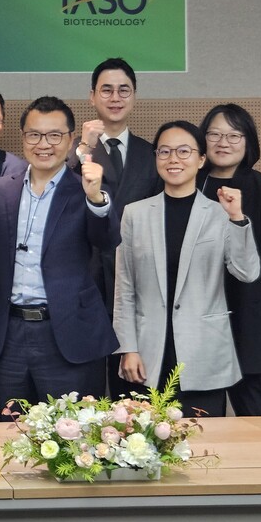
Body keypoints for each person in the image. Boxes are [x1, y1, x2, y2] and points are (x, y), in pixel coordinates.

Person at [0, 96, 120, 420]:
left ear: (71, 139)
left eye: (54, 135)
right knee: (6, 431)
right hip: (7, 335)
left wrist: (95, 196)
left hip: (66, 332)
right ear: (23, 137)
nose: (44, 144)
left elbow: (108, 239)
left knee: (73, 436)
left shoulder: (84, 187)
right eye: (34, 135)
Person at [115, 121, 260, 417]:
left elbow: (246, 272)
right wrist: (127, 347)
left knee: (204, 450)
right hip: (148, 353)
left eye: (184, 151)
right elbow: (124, 287)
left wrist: (237, 219)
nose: (173, 159)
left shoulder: (221, 213)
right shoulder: (135, 214)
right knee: (145, 449)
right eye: (165, 152)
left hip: (203, 353)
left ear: (201, 159)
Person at [197, 104, 261, 415]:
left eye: (234, 135)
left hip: (251, 317)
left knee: (255, 411)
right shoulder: (190, 183)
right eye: (214, 134)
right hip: (199, 316)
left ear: (248, 142)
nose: (223, 142)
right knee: (200, 418)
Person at [66, 58, 162, 398]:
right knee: (84, 388)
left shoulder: (153, 153)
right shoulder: (73, 151)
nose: (115, 97)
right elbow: (59, 191)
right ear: (92, 96)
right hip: (85, 279)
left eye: (124, 90)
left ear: (134, 97)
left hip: (137, 282)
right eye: (106, 89)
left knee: (132, 390)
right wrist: (83, 148)